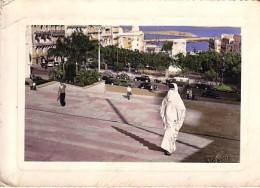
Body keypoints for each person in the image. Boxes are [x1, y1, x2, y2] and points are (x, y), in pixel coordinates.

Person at [160, 83, 186, 156]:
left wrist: (178, 119)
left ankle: (168, 149)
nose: (171, 90)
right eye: (170, 88)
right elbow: (162, 107)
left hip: (174, 120)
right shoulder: (167, 97)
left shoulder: (177, 98)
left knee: (171, 134)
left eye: (172, 88)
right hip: (168, 120)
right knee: (168, 134)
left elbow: (182, 109)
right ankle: (167, 148)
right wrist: (164, 117)